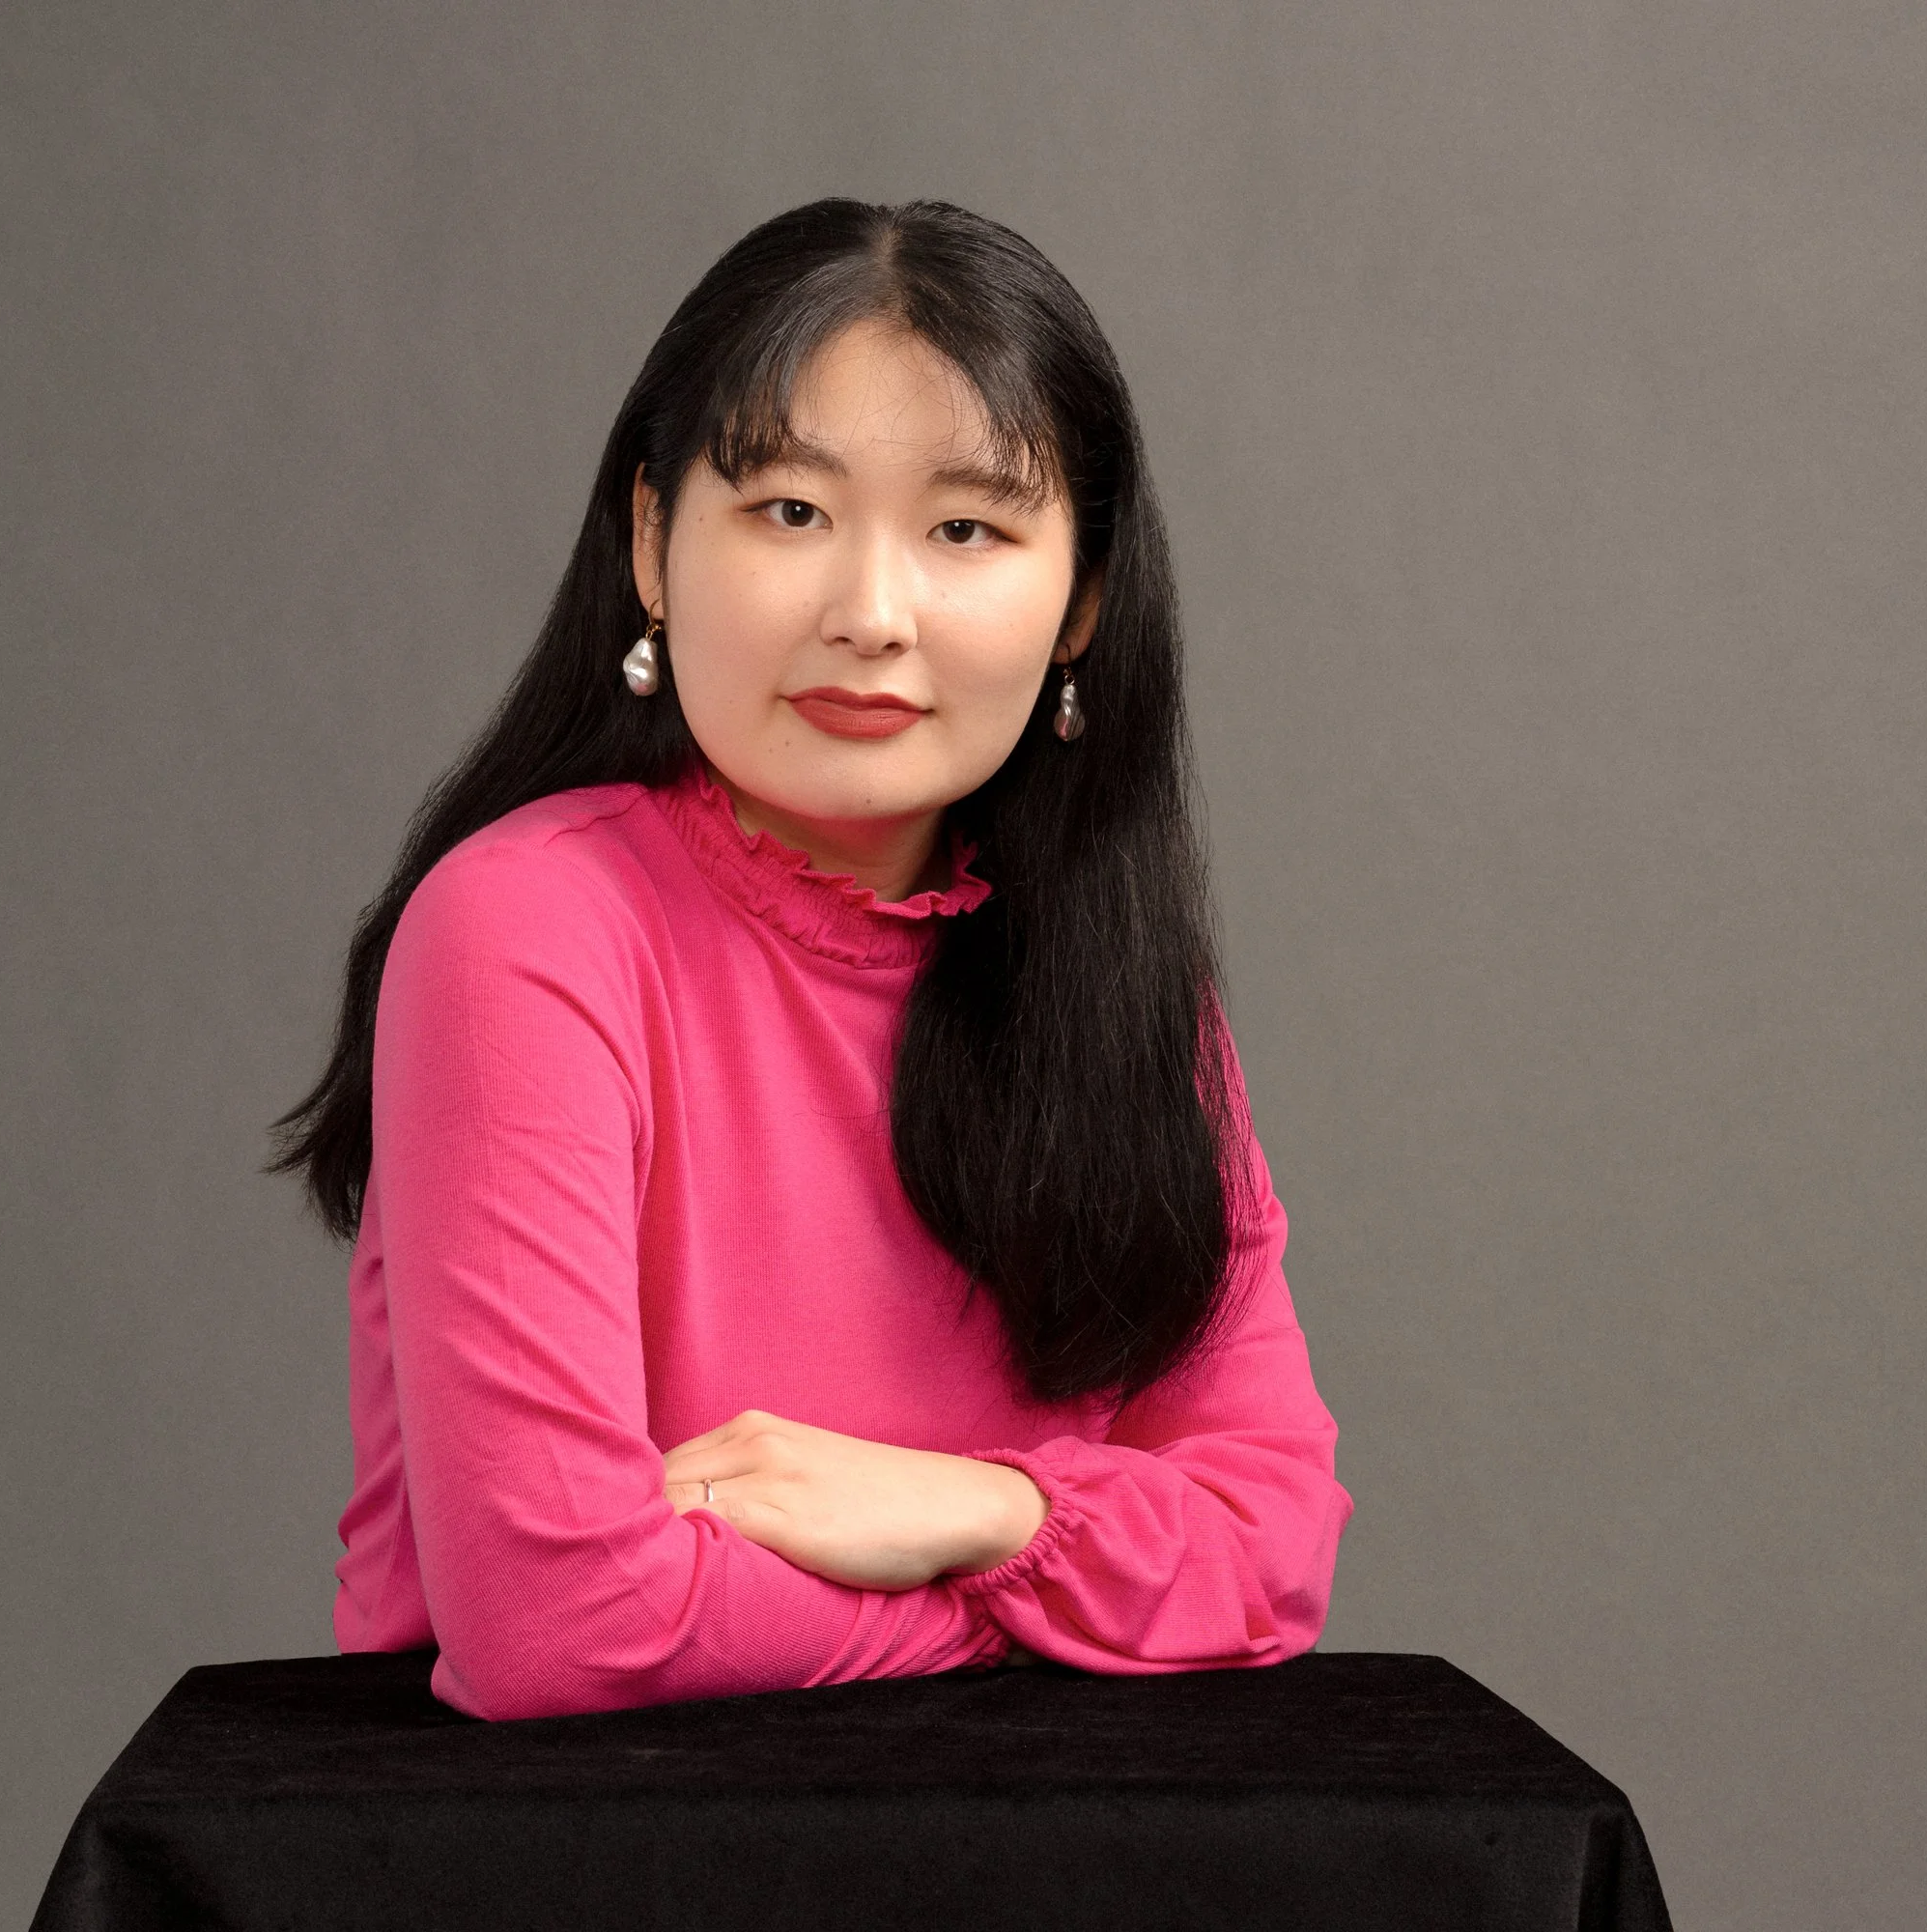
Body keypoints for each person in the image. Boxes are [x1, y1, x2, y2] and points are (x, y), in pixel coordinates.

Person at [272, 198, 1353, 1722]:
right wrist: (1045, 1591)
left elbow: (1277, 1547)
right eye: (789, 511)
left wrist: (973, 1510)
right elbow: (558, 1621)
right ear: (651, 542)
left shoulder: (1116, 989)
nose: (870, 614)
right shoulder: (524, 930)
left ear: (1082, 605)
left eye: (967, 528)